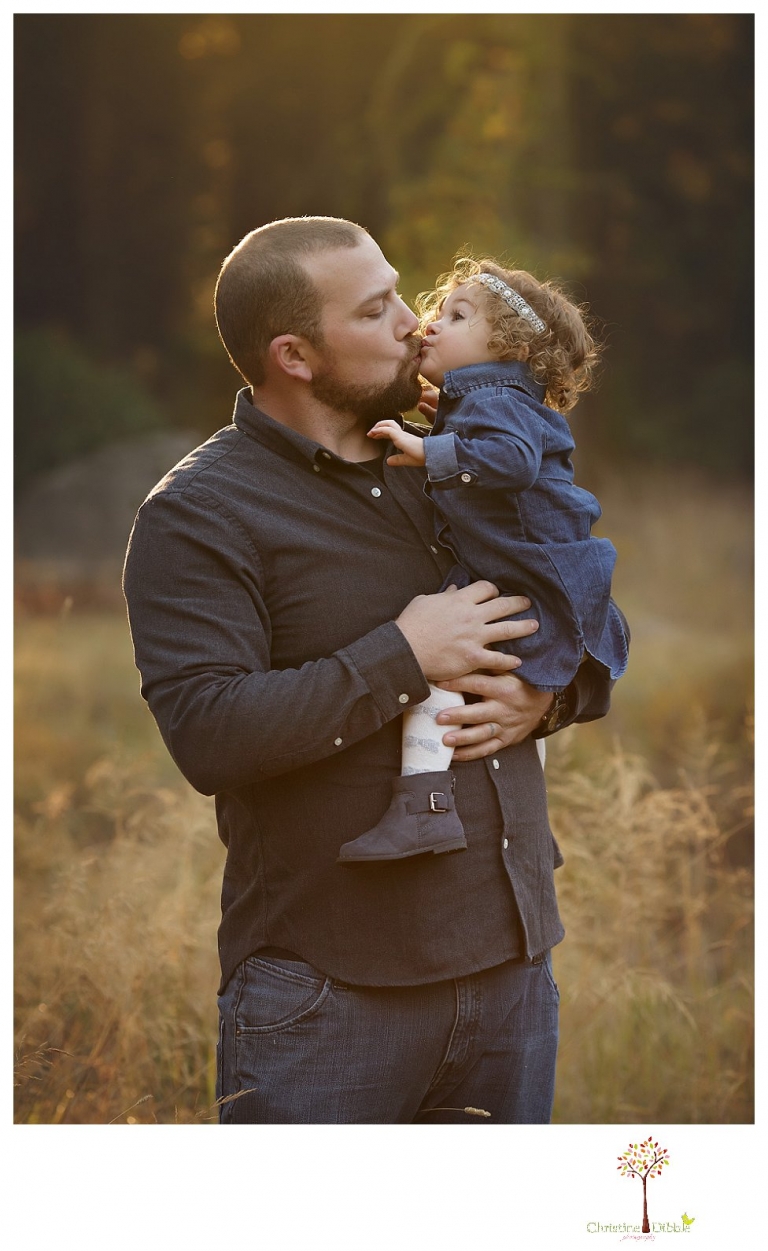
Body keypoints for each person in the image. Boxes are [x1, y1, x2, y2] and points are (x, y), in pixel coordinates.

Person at [122, 215, 620, 1125]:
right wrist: (405, 654)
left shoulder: (457, 458)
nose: (412, 321)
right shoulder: (200, 513)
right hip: (328, 998)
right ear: (296, 356)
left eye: (402, 292)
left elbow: (585, 602)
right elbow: (209, 732)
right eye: (377, 308)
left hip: (512, 975)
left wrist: (546, 693)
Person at [337, 255, 628, 865]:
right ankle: (522, 831)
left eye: (457, 315)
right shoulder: (491, 400)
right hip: (535, 568)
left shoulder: (495, 401)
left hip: (526, 570)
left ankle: (422, 808)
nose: (430, 324)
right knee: (487, 685)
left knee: (447, 677)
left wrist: (429, 449)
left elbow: (514, 462)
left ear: (509, 346)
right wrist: (440, 419)